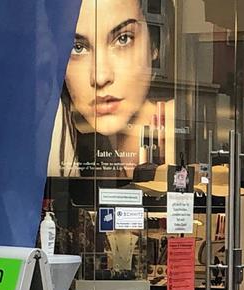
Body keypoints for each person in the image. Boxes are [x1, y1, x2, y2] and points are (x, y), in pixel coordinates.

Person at [52, 0, 172, 177]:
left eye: (123, 39)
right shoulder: (55, 137)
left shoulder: (177, 129)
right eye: (77, 48)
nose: (100, 77)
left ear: (155, 46)